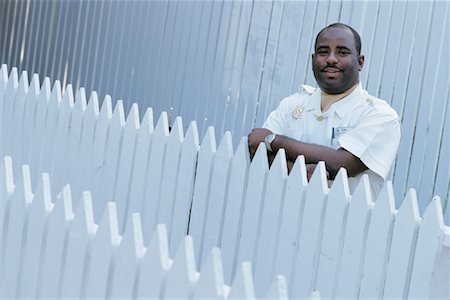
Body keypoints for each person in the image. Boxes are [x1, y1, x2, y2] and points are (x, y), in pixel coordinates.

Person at [248, 23, 401, 197]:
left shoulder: (379, 115)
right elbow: (257, 150)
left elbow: (343, 164)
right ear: (313, 59)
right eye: (323, 52)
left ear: (360, 62)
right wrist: (297, 171)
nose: (331, 59)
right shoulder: (292, 104)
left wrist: (273, 140)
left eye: (342, 52)